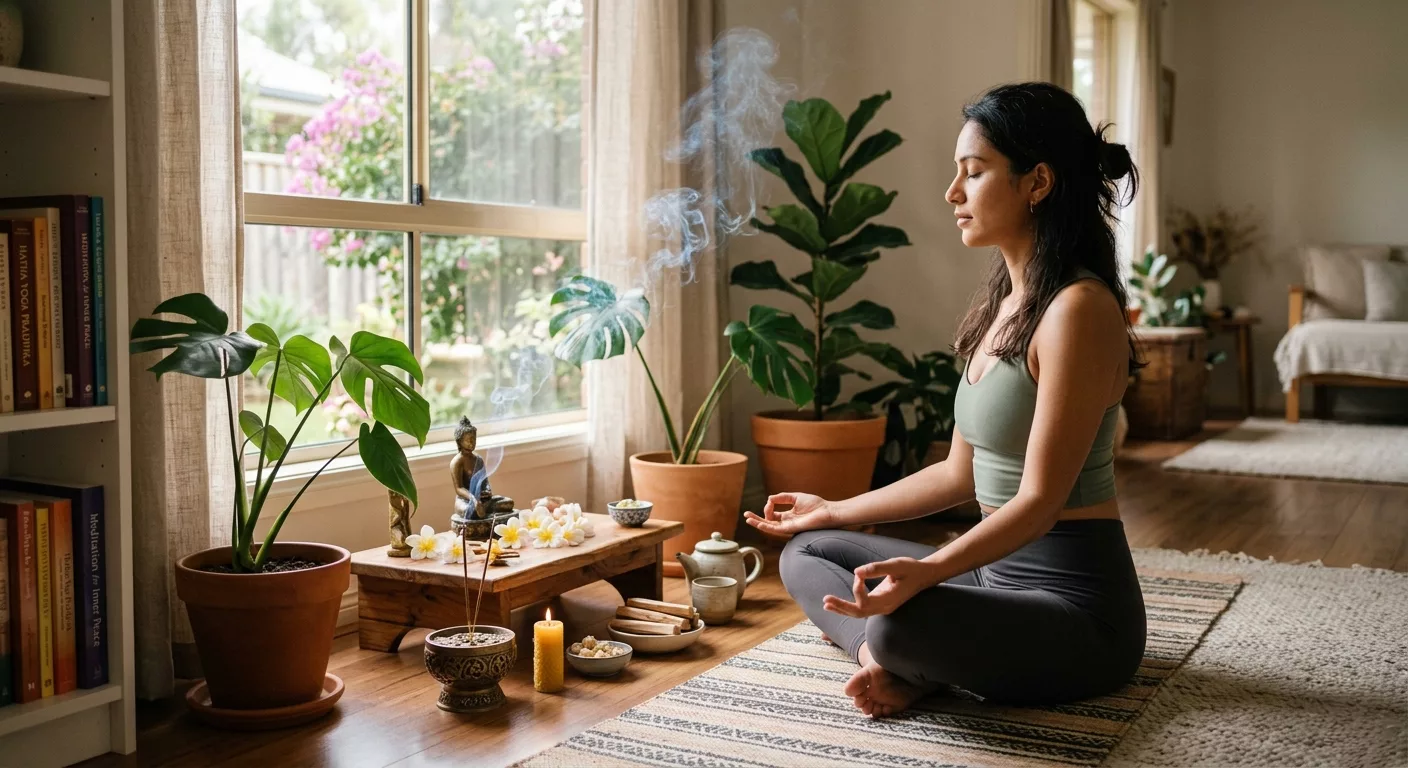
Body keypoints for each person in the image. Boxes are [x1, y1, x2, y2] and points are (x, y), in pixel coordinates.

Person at [748, 82, 1147, 719]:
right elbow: (959, 473)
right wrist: (833, 510)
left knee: (897, 621)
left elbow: (1041, 502)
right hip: (992, 575)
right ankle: (890, 664)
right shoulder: (1004, 305)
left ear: (1036, 182)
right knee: (809, 552)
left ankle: (896, 653)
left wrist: (930, 570)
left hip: (1075, 609)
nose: (952, 193)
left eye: (974, 172)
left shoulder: (1078, 311)